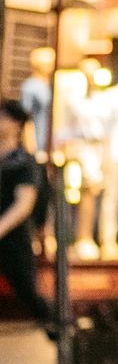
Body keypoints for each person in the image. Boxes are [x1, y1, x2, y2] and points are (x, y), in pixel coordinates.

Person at [0, 102, 54, 338]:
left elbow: (25, 204)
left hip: (13, 239)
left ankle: (59, 332)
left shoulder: (23, 162)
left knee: (28, 292)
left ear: (16, 125)